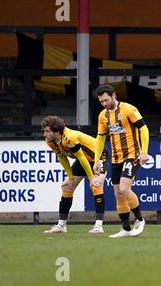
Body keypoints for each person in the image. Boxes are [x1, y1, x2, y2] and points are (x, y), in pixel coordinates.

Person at [93, 85, 149, 238]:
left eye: (106, 100)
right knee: (118, 193)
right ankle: (125, 228)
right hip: (116, 158)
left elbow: (144, 129)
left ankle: (139, 219)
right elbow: (100, 137)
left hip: (132, 155)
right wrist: (97, 159)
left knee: (124, 188)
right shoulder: (102, 116)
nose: (104, 103)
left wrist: (144, 151)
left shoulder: (129, 109)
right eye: (101, 101)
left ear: (113, 95)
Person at [42, 116, 107, 234]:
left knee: (96, 186)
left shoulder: (70, 138)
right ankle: (61, 225)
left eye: (47, 131)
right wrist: (70, 177)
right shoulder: (50, 141)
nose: (44, 134)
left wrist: (92, 178)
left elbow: (82, 157)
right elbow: (62, 157)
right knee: (67, 187)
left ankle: (98, 226)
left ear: (56, 131)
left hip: (98, 156)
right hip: (82, 159)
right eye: (44, 131)